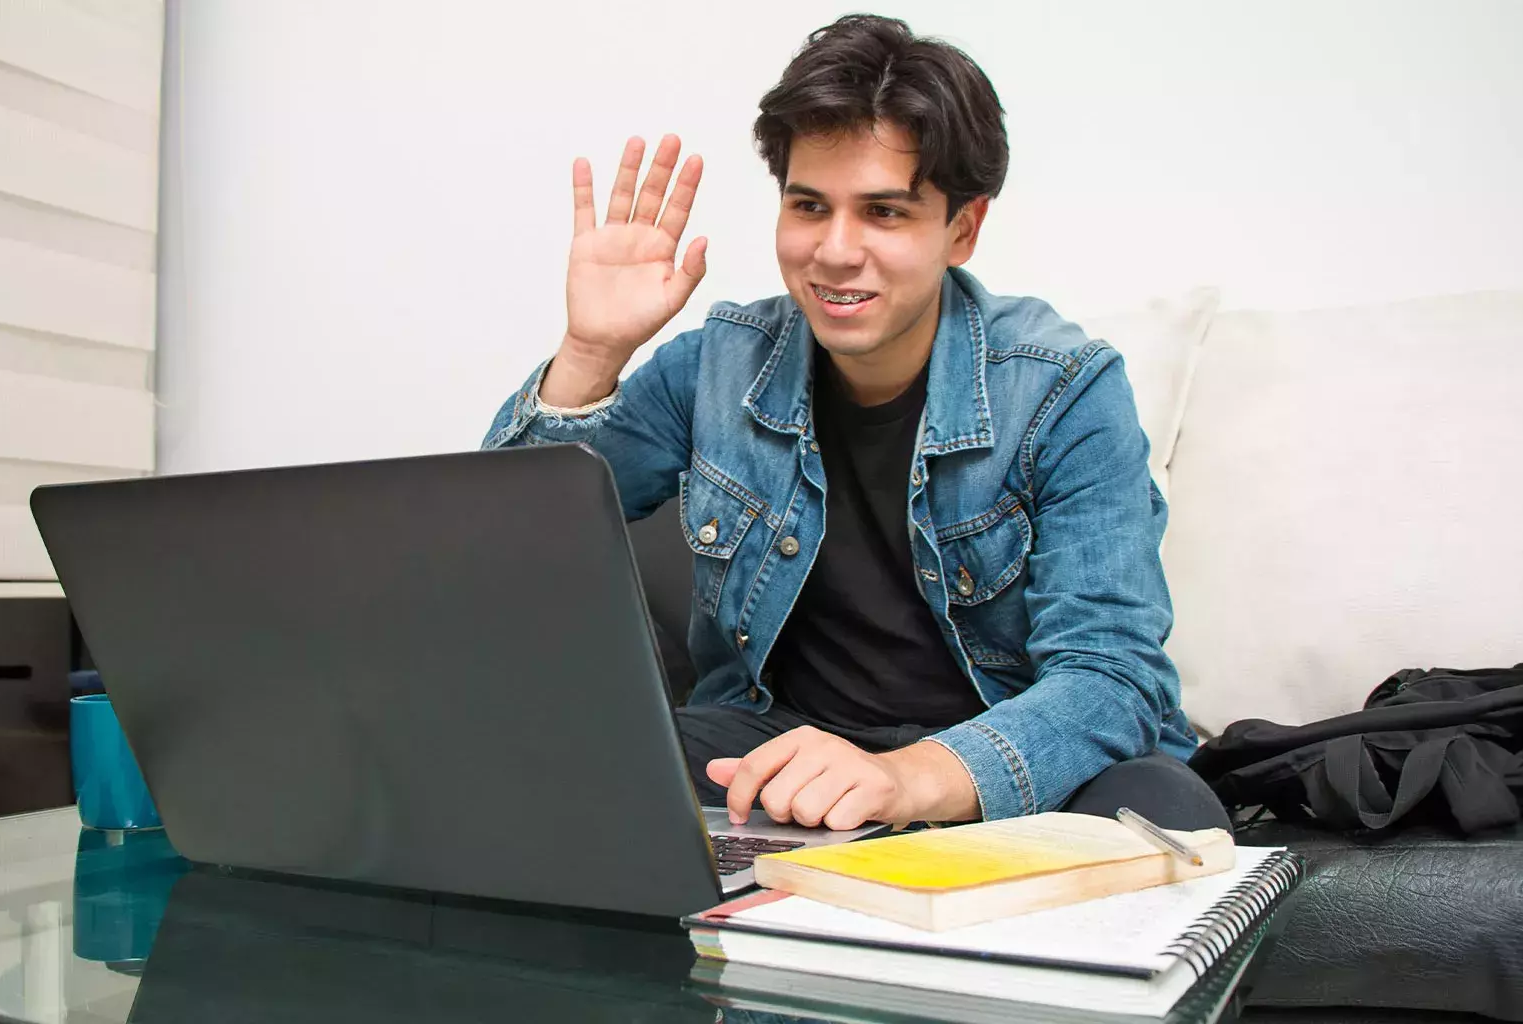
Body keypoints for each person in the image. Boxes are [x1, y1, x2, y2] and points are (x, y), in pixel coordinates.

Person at [483, 14, 1223, 833]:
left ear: (962, 229)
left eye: (883, 213)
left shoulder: (1064, 389)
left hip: (997, 758)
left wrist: (904, 780)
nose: (835, 251)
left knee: (1164, 810)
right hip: (786, 743)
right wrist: (589, 353)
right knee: (540, 746)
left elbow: (1109, 674)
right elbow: (504, 553)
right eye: (809, 206)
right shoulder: (719, 364)